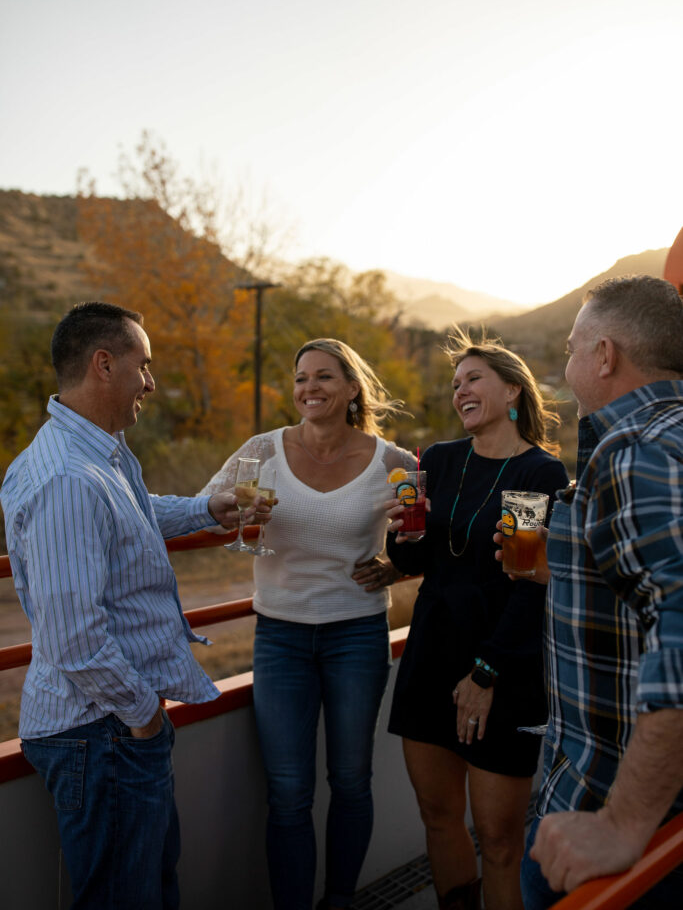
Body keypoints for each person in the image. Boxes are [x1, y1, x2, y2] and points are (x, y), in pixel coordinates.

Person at [0, 301, 267, 910]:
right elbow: (75, 640)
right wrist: (143, 715)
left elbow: (128, 514)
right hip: (102, 733)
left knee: (147, 888)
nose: (150, 382)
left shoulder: (94, 453)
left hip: (109, 731)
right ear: (103, 364)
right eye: (142, 365)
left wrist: (205, 508)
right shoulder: (68, 477)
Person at [199, 338, 416, 910]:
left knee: (351, 780)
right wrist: (236, 511)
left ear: (352, 389)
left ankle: (340, 900)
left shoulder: (393, 460)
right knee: (289, 792)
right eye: (301, 378)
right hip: (281, 637)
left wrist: (398, 566)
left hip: (357, 634)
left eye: (323, 376)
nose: (309, 387)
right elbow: (205, 510)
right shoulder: (261, 450)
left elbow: (427, 532)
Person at [385, 327, 568, 910]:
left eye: (473, 379)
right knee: (438, 818)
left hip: (503, 670)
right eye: (455, 383)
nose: (459, 390)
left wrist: (486, 672)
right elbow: (416, 563)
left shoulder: (538, 473)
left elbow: (528, 583)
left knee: (498, 840)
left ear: (512, 390)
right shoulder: (438, 460)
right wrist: (402, 533)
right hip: (430, 659)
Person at [519, 275, 683, 910]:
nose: (567, 367)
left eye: (571, 350)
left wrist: (622, 823)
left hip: (607, 818)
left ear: (605, 355)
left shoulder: (632, 447)